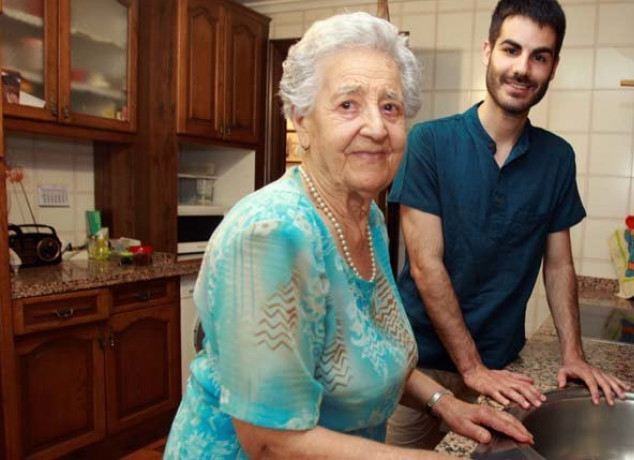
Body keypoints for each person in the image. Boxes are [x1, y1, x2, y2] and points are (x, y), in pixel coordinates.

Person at [163, 12, 532, 459]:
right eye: (348, 105)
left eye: (390, 107)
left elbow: (374, 354)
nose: (377, 128)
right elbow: (270, 442)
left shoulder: (367, 219)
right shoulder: (271, 236)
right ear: (303, 121)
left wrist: (445, 404)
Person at [386, 0, 631, 449]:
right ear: (488, 51)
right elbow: (425, 266)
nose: (523, 68)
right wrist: (471, 367)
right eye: (511, 50)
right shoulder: (430, 143)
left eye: (539, 56)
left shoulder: (558, 159)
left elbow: (558, 266)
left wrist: (572, 354)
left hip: (501, 365)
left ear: (553, 68)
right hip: (418, 369)